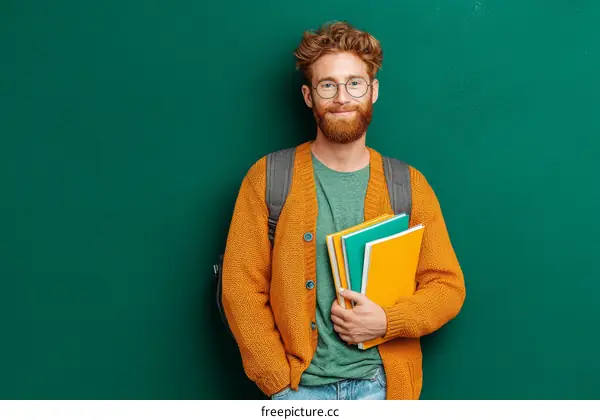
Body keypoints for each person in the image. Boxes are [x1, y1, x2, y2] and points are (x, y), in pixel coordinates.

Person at [221, 20, 465, 400]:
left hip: (383, 388)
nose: (342, 97)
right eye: (327, 85)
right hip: (299, 391)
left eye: (354, 83)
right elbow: (239, 288)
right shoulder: (268, 177)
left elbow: (447, 286)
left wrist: (387, 321)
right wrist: (278, 383)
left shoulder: (408, 184)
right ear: (308, 95)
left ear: (373, 90)